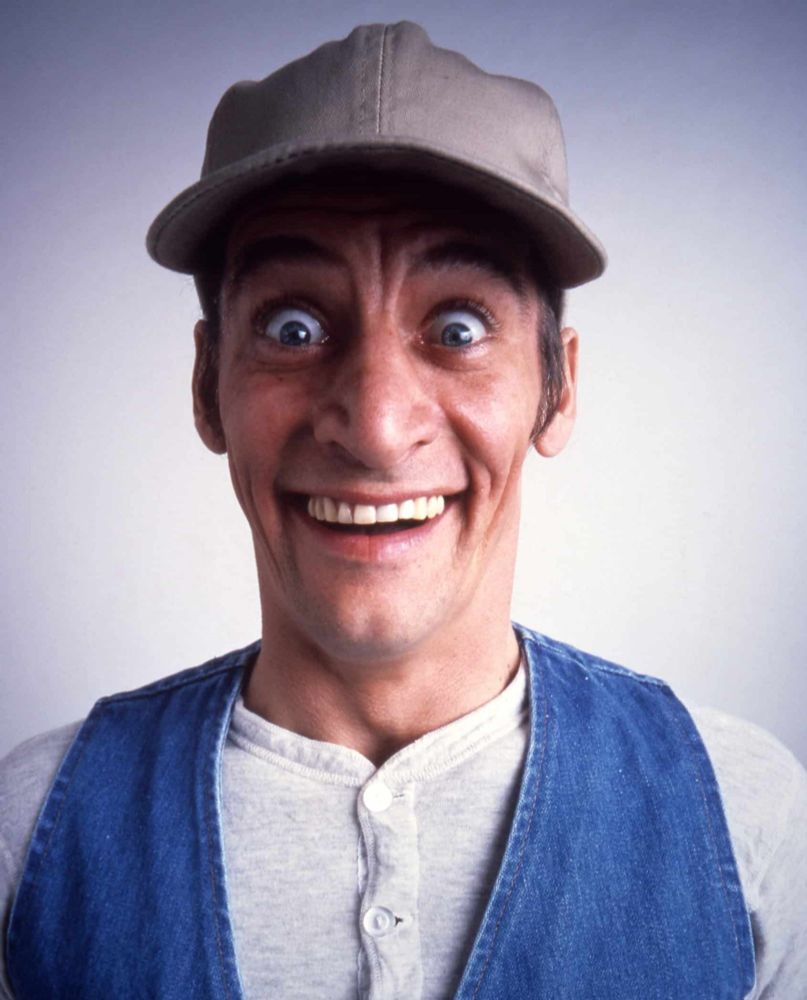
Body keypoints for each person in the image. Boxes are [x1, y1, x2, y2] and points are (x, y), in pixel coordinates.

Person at [1, 21, 805, 1000]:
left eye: (458, 326)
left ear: (558, 387)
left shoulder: (748, 819)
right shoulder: (30, 832)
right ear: (208, 386)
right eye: (295, 325)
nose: (378, 427)